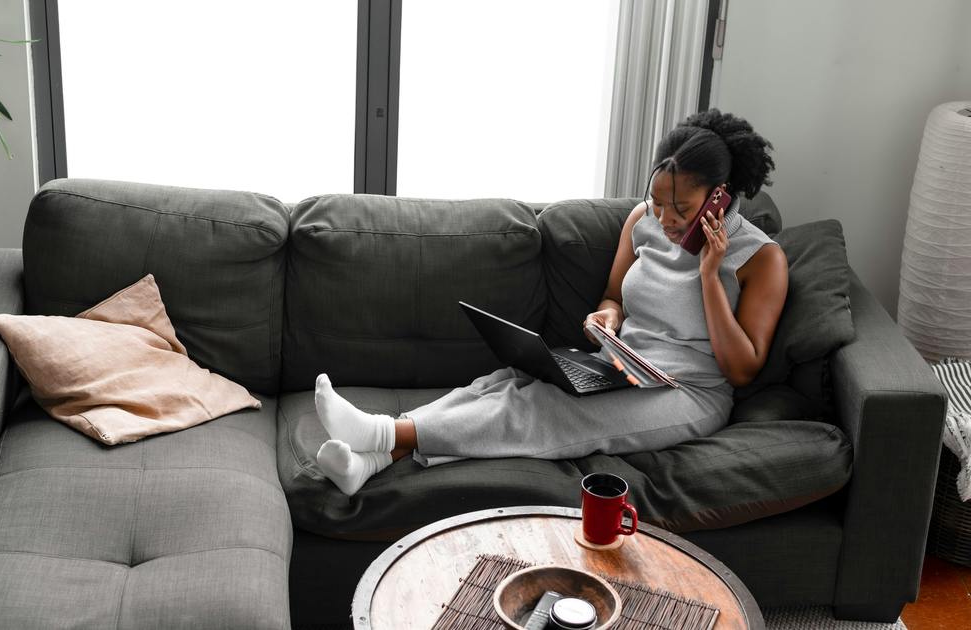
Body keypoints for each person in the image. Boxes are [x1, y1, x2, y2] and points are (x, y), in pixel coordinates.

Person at [313, 109, 789, 496]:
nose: (663, 218)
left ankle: (382, 434)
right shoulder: (642, 221)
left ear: (719, 198)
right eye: (658, 201)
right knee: (506, 383)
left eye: (682, 209)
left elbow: (742, 368)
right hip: (623, 367)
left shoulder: (760, 259)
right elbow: (613, 295)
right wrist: (609, 316)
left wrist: (708, 275)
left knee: (551, 410)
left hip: (689, 391)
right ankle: (370, 465)